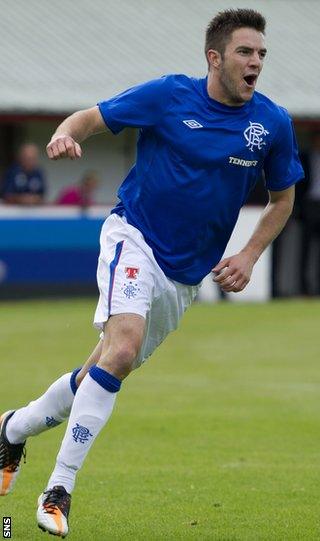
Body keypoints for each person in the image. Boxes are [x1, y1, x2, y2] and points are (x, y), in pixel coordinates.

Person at [0, 8, 304, 538]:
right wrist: (64, 136)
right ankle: (59, 488)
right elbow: (88, 118)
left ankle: (12, 428)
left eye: (261, 54)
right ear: (215, 57)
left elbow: (282, 200)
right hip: (133, 236)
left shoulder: (271, 123)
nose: (256, 62)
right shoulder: (168, 95)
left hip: (184, 278)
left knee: (103, 368)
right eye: (245, 52)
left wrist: (250, 254)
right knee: (120, 349)